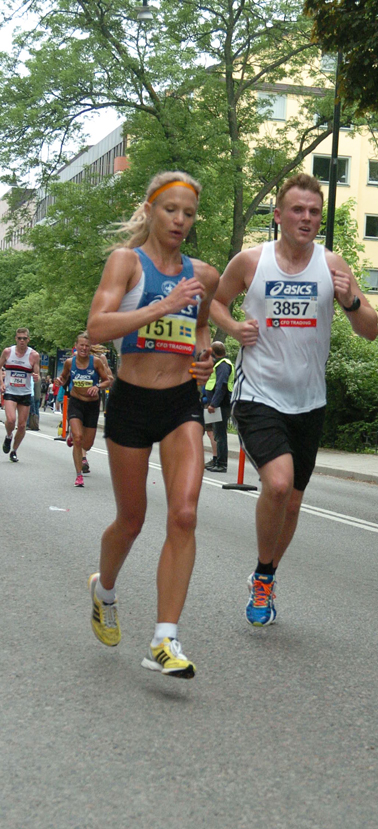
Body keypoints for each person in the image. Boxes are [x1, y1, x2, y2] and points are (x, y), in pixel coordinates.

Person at [209, 173, 378, 626]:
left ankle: (265, 573)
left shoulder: (333, 264)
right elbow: (216, 302)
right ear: (279, 215)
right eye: (298, 210)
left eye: (314, 212)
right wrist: (233, 329)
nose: (306, 218)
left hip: (309, 400)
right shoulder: (250, 261)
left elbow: (371, 329)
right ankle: (264, 578)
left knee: (294, 501)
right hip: (258, 393)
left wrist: (351, 302)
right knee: (278, 485)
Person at [86, 170, 219, 679]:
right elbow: (97, 326)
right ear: (149, 209)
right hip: (131, 404)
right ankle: (105, 589)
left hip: (180, 404)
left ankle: (165, 639)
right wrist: (159, 306)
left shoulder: (202, 275)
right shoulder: (126, 262)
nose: (180, 220)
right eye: (171, 210)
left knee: (184, 514)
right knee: (132, 520)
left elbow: (202, 326)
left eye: (188, 213)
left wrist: (205, 356)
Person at [58, 331, 113, 486]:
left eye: (86, 346)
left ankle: (75, 439)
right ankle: (78, 475)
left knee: (87, 444)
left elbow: (107, 381)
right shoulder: (70, 362)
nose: (83, 348)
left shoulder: (95, 362)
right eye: (81, 345)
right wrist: (59, 380)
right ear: (76, 346)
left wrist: (97, 386)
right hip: (76, 402)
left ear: (90, 347)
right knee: (78, 438)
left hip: (92, 405)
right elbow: (63, 377)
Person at [0, 328, 40, 462]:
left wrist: (36, 376)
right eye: (19, 338)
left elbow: (37, 374)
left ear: (28, 339)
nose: (22, 341)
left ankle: (14, 450)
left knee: (22, 425)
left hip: (25, 393)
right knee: (11, 420)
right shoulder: (7, 352)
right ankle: (9, 436)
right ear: (16, 339)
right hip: (10, 391)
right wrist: (1, 383)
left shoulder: (34, 355)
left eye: (24, 338)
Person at [204, 340, 234, 472]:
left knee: (221, 435)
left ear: (214, 353)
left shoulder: (223, 365)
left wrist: (213, 404)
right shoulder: (219, 364)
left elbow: (221, 386)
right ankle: (216, 460)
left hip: (220, 405)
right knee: (216, 433)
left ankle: (222, 464)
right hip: (214, 405)